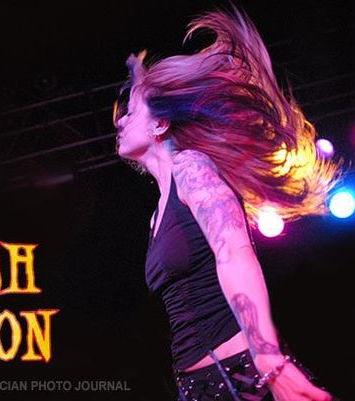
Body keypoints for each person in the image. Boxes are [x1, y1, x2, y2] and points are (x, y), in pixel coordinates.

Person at [113, 6, 343, 401]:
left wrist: (269, 360)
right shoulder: (156, 214)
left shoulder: (192, 168)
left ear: (160, 124)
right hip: (198, 387)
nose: (118, 122)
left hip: (244, 377)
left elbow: (234, 253)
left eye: (130, 112)